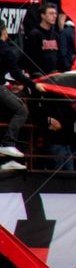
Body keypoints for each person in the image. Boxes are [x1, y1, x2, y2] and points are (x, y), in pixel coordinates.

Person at [0, 21, 35, 170]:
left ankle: (6, 160)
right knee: (21, 110)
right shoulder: (7, 50)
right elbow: (16, 73)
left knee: (7, 115)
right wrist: (33, 85)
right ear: (4, 31)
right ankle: (7, 144)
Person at [25, 3, 62, 75]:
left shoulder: (55, 35)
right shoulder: (35, 34)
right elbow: (29, 57)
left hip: (54, 74)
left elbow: (59, 55)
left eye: (55, 13)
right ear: (43, 15)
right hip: (39, 75)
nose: (54, 16)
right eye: (51, 13)